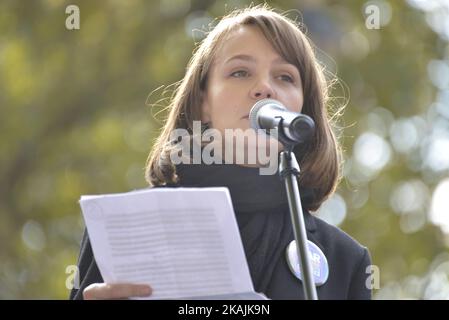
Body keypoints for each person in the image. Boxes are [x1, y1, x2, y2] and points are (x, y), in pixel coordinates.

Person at [70, 5, 372, 300]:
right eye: (240, 72)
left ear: (303, 109)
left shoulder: (345, 260)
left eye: (285, 77)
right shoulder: (124, 228)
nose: (264, 88)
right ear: (203, 101)